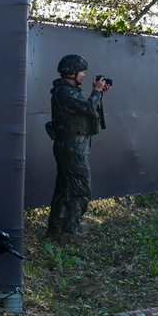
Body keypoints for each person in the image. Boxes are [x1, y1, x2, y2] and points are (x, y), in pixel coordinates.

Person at [45, 54, 111, 244]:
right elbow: (90, 108)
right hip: (73, 148)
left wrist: (100, 93)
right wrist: (96, 92)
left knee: (64, 189)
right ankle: (68, 232)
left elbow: (87, 110)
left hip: (71, 147)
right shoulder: (65, 93)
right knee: (82, 191)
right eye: (82, 72)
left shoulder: (67, 92)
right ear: (71, 72)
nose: (84, 75)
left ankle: (55, 228)